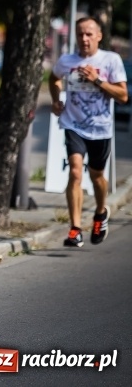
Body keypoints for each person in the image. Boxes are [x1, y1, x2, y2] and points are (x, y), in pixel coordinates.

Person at [49, 16, 127, 247]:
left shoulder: (110, 60)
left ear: (99, 36)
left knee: (97, 177)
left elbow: (123, 96)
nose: (84, 38)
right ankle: (74, 229)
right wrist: (55, 100)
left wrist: (97, 81)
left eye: (89, 34)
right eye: (80, 34)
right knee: (75, 172)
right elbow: (54, 78)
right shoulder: (67, 60)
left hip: (100, 129)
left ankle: (101, 213)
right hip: (73, 124)